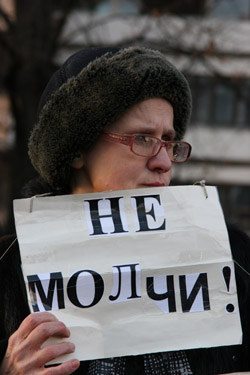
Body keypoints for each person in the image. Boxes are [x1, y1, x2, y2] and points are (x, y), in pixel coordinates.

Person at [0, 46, 250, 375]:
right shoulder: (6, 269)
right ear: (78, 149)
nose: (163, 163)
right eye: (142, 139)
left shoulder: (232, 258)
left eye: (170, 142)